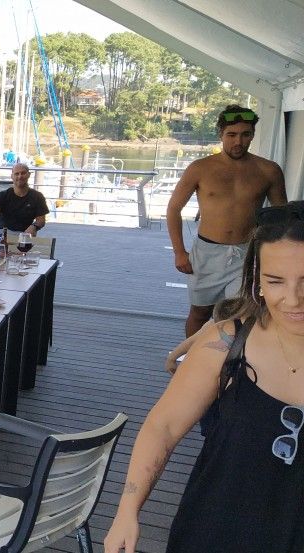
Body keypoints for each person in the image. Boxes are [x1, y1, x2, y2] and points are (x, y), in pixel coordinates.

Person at [103, 204, 304, 553]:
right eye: (275, 281)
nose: (292, 299)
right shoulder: (227, 343)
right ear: (256, 281)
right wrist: (127, 511)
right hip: (213, 533)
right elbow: (162, 426)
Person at [166, 105, 287, 338]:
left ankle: (228, 364)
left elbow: (280, 217)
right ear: (220, 134)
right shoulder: (200, 168)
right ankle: (191, 360)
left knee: (236, 314)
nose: (238, 142)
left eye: (245, 135)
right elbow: (173, 209)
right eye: (231, 135)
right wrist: (179, 252)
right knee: (200, 313)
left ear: (253, 135)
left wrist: (275, 257)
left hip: (246, 253)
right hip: (207, 252)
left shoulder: (268, 170)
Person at [0, 162, 49, 234]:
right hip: (2, 234)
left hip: (24, 235)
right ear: (12, 176)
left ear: (29, 175)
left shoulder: (38, 197)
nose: (20, 176)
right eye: (16, 174)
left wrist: (34, 226)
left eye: (23, 173)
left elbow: (41, 220)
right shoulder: (1, 195)